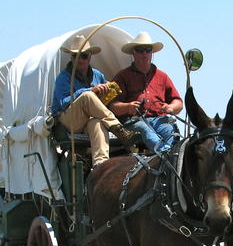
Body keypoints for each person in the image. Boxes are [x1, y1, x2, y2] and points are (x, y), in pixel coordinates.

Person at [50, 35, 139, 167]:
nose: (80, 60)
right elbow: (63, 102)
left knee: (97, 122)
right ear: (72, 58)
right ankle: (118, 129)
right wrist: (91, 90)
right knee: (87, 96)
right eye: (76, 56)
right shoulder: (63, 77)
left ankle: (100, 165)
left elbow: (107, 100)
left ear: (90, 56)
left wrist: (109, 90)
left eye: (84, 56)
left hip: (88, 120)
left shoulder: (97, 75)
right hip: (67, 121)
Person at [110, 32, 183, 154]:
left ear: (151, 53)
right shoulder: (122, 76)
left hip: (159, 120)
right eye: (140, 50)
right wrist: (127, 107)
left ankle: (169, 156)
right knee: (144, 129)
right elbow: (112, 106)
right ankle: (165, 155)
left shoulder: (163, 77)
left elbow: (178, 102)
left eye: (147, 50)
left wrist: (170, 107)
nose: (144, 53)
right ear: (133, 53)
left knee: (170, 130)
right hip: (134, 121)